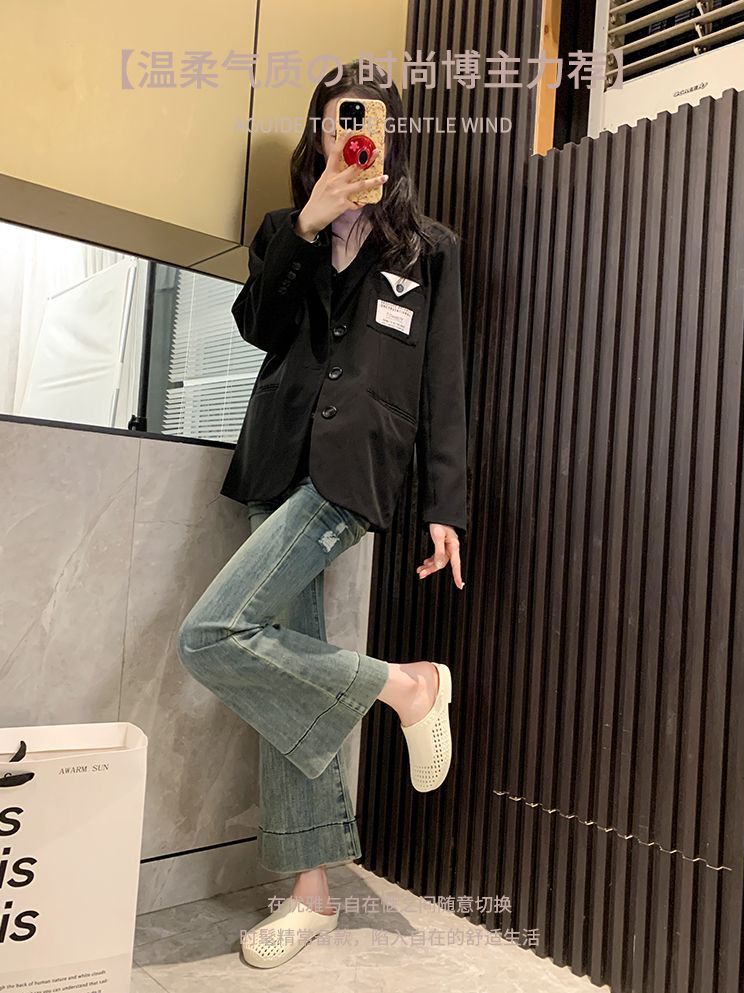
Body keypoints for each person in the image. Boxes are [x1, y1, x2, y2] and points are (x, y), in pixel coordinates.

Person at [176, 60, 468, 969]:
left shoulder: (427, 249)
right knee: (285, 672)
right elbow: (258, 327)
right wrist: (306, 226)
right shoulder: (283, 228)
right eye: (343, 119)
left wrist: (445, 503)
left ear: (389, 136)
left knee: (212, 633)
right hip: (277, 457)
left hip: (353, 471)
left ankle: (408, 686)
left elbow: (444, 384)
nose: (356, 133)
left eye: (371, 120)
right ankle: (311, 894)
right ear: (320, 131)